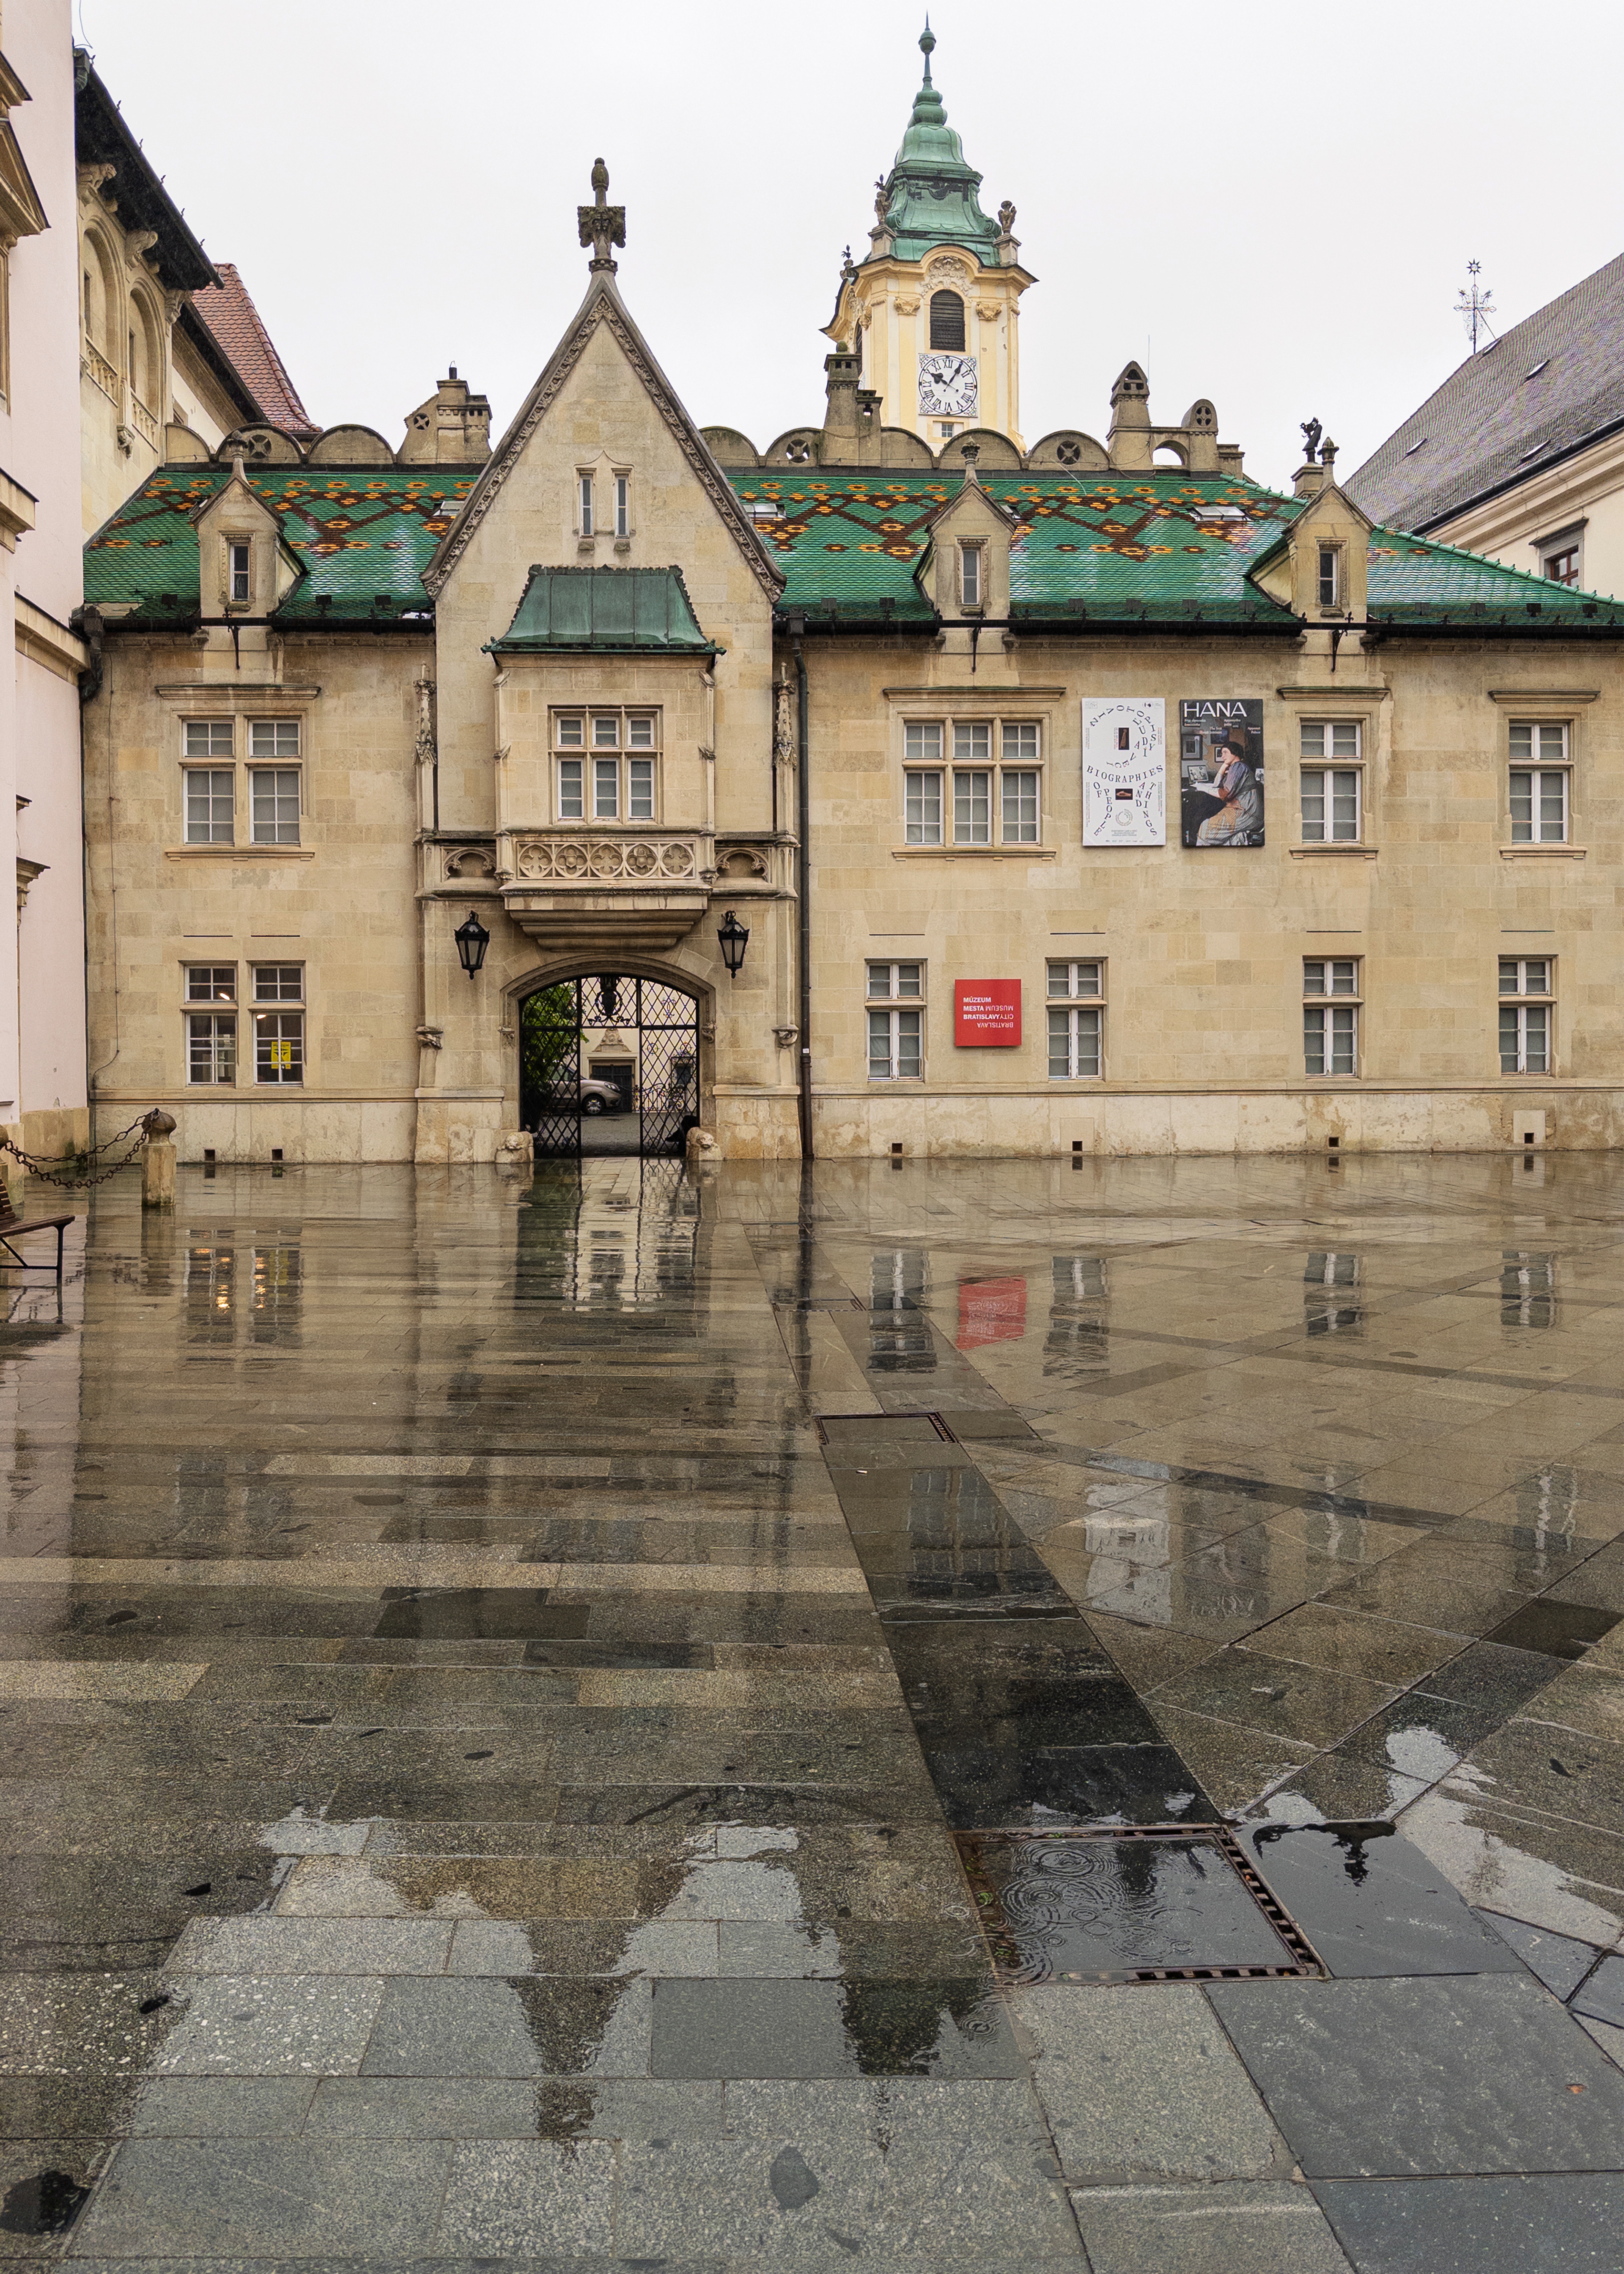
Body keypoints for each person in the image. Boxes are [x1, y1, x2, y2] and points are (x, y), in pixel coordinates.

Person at [1189, 729, 1262, 846]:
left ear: (1235, 753)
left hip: (1246, 813)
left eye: (1225, 753)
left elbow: (1225, 794)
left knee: (1205, 829)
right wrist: (1224, 766)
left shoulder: (1239, 767)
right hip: (1243, 810)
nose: (1223, 756)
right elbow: (1216, 785)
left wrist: (1202, 787)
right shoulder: (1236, 767)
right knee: (1209, 826)